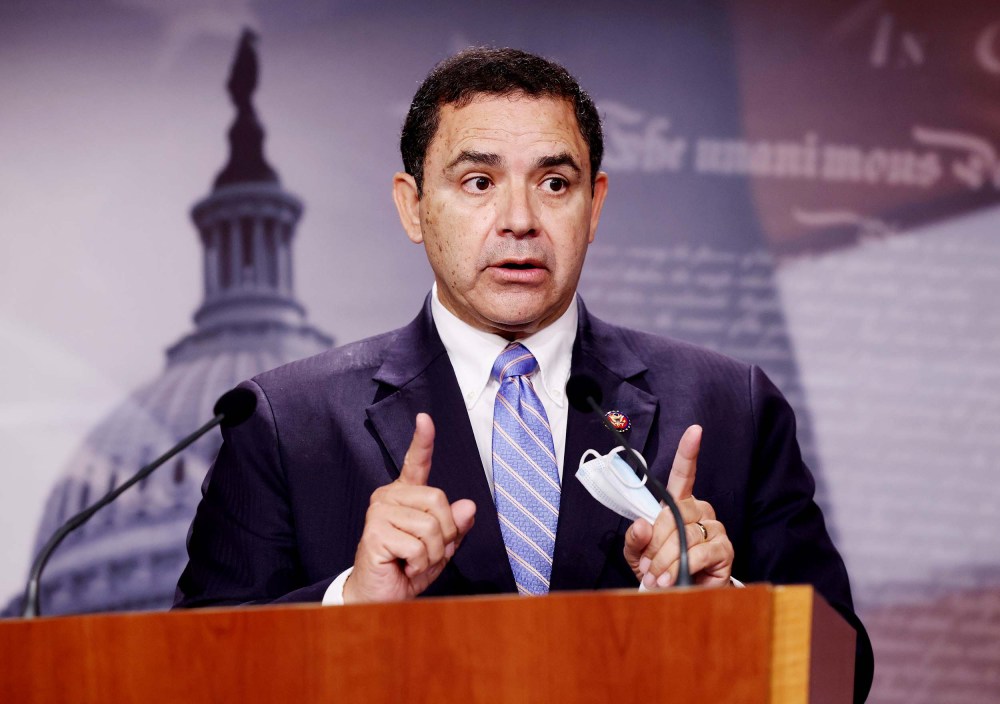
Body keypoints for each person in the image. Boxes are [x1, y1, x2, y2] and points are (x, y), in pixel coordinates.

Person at [175, 47, 873, 700]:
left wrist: (728, 607)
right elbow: (196, 675)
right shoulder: (284, 423)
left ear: (595, 205)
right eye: (478, 182)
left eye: (555, 183)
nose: (519, 220)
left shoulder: (728, 407)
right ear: (412, 206)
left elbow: (845, 675)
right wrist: (353, 602)